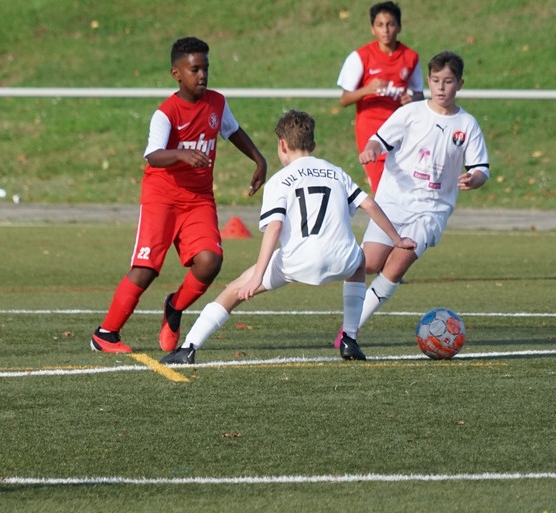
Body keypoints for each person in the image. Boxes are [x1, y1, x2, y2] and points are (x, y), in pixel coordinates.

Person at [161, 110, 416, 365]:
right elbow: (369, 204)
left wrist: (258, 276)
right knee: (359, 261)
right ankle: (349, 337)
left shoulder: (279, 181)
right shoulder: (336, 172)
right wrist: (397, 240)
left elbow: (274, 228)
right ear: (313, 145)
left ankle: (189, 348)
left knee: (234, 290)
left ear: (282, 145)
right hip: (341, 260)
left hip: (297, 262)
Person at [91, 37, 268, 354]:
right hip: (162, 197)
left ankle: (174, 307)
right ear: (176, 73)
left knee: (210, 262)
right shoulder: (166, 113)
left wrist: (259, 160)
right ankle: (105, 334)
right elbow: (153, 156)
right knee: (146, 269)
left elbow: (233, 131)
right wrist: (181, 154)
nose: (202, 75)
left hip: (199, 199)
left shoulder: (217, 103)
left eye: (205, 69)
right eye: (194, 69)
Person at [347, 50, 489, 337]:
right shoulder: (411, 113)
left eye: (448, 81)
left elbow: (481, 169)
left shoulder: (467, 124)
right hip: (392, 202)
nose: (441, 87)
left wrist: (473, 179)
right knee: (369, 263)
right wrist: (372, 150)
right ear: (428, 80)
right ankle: (349, 318)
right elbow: (378, 140)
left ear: (460, 84)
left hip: (431, 210)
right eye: (435, 80)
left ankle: (349, 330)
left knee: (397, 264)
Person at [337, 1, 424, 193]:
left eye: (390, 24)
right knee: (381, 190)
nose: (385, 30)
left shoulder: (410, 57)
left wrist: (414, 99)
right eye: (380, 25)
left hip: (400, 130)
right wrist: (366, 90)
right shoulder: (361, 57)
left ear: (399, 27)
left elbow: (420, 94)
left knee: (404, 188)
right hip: (370, 132)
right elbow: (344, 99)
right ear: (372, 29)